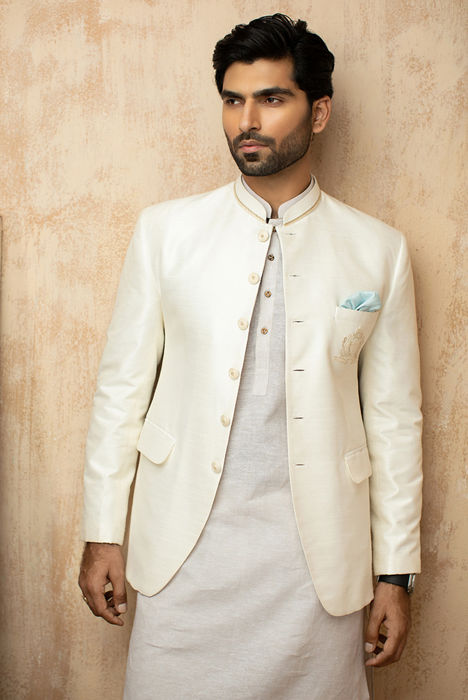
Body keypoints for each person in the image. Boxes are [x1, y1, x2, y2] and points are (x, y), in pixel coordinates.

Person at [79, 14, 422, 700]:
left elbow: (394, 422)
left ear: (318, 112)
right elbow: (121, 392)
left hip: (316, 565)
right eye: (233, 100)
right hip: (183, 552)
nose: (247, 122)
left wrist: (396, 573)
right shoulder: (166, 233)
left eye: (271, 98)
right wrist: (102, 532)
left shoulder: (377, 251)